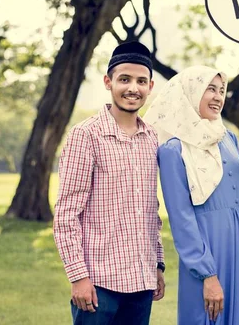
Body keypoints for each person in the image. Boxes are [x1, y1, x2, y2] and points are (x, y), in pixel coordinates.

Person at [144, 65, 239, 325]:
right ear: (190, 92)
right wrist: (207, 274)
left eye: (221, 90)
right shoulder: (172, 150)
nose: (218, 97)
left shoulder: (229, 139)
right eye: (210, 89)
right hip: (207, 251)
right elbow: (181, 218)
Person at [53, 41, 165, 325]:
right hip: (99, 283)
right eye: (124, 79)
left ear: (150, 86)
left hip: (141, 281)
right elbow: (66, 215)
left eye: (141, 81)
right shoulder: (85, 135)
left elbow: (150, 209)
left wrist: (158, 265)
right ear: (108, 82)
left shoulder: (151, 138)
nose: (133, 88)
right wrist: (78, 277)